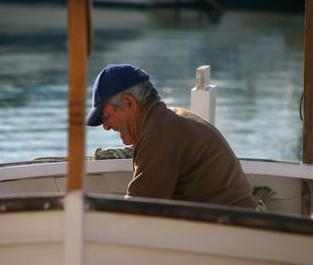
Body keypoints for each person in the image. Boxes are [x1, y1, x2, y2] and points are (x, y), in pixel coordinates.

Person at [87, 64, 258, 208]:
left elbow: (138, 212)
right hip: (239, 217)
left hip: (232, 228)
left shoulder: (157, 137)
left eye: (106, 117)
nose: (106, 127)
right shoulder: (168, 119)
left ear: (129, 103)